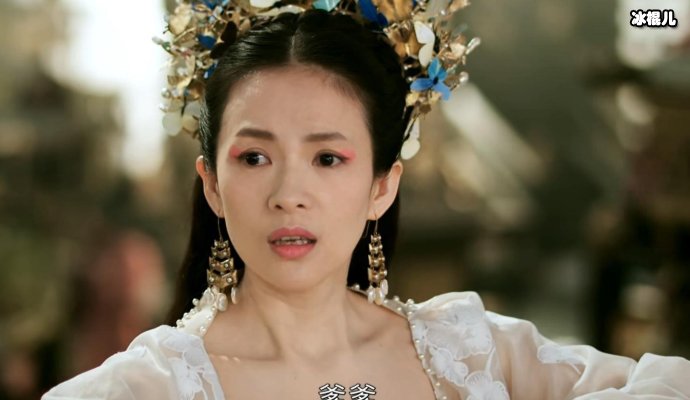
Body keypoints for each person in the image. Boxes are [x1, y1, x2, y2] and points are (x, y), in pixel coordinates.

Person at [43, 1, 690, 399]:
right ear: (212, 183)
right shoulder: (147, 388)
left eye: (328, 158)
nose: (289, 196)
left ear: (383, 185)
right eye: (255, 158)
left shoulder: (472, 354)